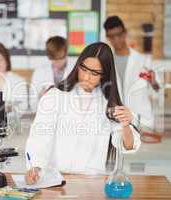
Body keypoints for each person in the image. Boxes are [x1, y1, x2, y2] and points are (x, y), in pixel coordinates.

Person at [25, 42, 141, 185]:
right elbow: (40, 136)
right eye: (84, 69)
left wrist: (125, 125)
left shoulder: (109, 105)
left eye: (94, 73)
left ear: (104, 75)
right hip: (56, 181)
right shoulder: (54, 96)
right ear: (78, 65)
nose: (86, 77)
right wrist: (35, 167)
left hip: (92, 183)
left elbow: (128, 146)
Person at [103, 16, 159, 130]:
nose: (116, 39)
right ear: (107, 37)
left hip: (141, 122)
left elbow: (157, 90)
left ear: (125, 33)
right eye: (111, 36)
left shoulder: (143, 60)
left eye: (118, 34)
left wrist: (154, 82)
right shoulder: (107, 63)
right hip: (117, 124)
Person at [29, 36, 73, 111]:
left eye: (61, 59)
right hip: (46, 114)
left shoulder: (75, 70)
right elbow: (32, 104)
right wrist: (40, 97)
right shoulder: (39, 72)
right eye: (54, 59)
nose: (57, 63)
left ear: (66, 53)